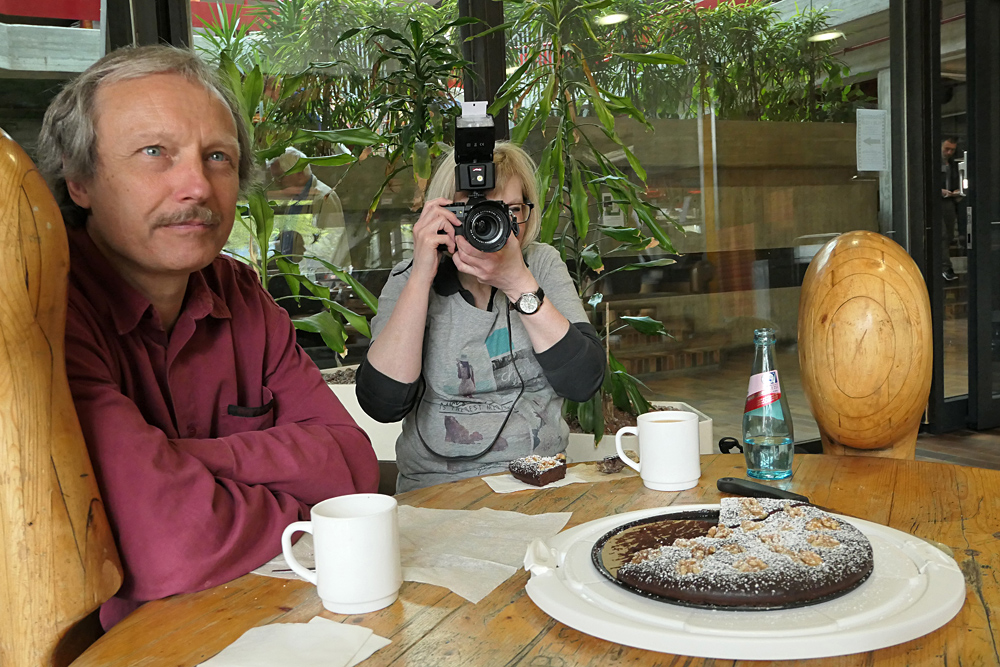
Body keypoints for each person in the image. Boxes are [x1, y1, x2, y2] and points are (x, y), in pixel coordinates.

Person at [35, 45, 379, 629]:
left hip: (268, 623)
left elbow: (353, 464)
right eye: (154, 153)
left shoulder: (240, 293)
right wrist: (297, 505)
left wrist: (184, 463)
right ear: (80, 181)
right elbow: (170, 544)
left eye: (217, 157)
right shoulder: (47, 307)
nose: (196, 185)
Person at [355, 142, 605, 492]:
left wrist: (518, 282)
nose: (491, 223)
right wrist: (422, 276)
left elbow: (583, 381)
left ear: (526, 212)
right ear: (444, 210)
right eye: (475, 210)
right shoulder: (411, 277)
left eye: (510, 209)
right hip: (436, 488)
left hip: (539, 482)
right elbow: (382, 403)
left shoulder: (540, 265)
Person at [266, 146, 350, 275]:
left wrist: (302, 271)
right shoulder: (297, 197)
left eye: (280, 177)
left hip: (317, 278)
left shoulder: (323, 197)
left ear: (299, 172)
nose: (276, 183)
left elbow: (329, 245)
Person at [940, 136, 965, 282]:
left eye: (952, 150)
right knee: (942, 235)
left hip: (949, 200)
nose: (949, 152)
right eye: (946, 149)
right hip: (936, 201)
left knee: (949, 235)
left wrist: (957, 191)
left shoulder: (954, 164)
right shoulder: (932, 161)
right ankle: (945, 267)